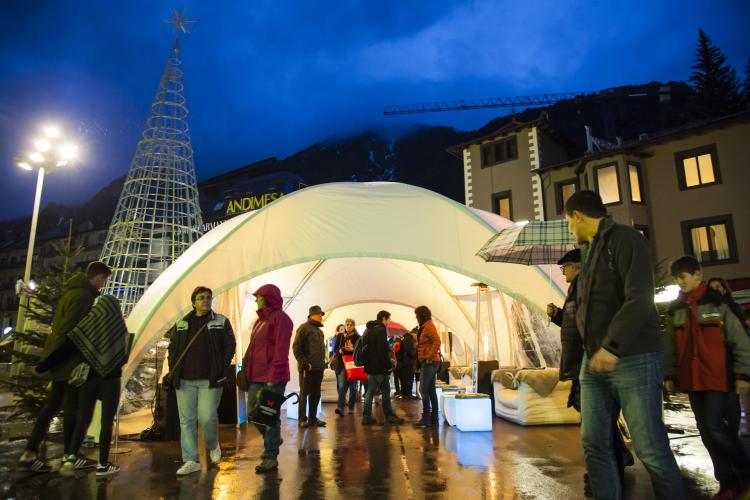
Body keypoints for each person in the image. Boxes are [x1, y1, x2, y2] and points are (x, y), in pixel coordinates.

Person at [564, 190, 685, 499]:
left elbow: (640, 298)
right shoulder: (591, 251)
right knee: (594, 443)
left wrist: (612, 346)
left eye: (568, 222)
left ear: (578, 216)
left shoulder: (625, 239)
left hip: (633, 357)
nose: (569, 229)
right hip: (594, 361)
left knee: (649, 446)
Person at [547, 249, 632, 496]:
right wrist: (558, 316)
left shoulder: (587, 289)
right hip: (582, 364)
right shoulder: (576, 290)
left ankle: (608, 473)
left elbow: (590, 326)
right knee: (596, 425)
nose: (563, 272)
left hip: (591, 364)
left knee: (597, 427)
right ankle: (606, 471)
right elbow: (577, 324)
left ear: (576, 266)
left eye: (565, 267)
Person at [664, 256, 750, 499]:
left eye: (683, 277)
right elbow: (670, 346)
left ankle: (743, 471)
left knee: (714, 426)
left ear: (697, 275)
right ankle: (727, 482)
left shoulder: (718, 304)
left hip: (718, 379)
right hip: (693, 381)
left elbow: (740, 341)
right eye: (676, 278)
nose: (680, 282)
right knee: (706, 431)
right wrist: (670, 374)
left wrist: (743, 374)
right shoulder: (676, 309)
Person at [21, 261, 112, 474]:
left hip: (59, 355)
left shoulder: (71, 292)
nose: (103, 285)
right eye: (104, 280)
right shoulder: (84, 296)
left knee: (54, 404)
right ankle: (69, 454)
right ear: (98, 277)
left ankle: (31, 452)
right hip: (68, 359)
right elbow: (73, 331)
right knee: (72, 407)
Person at [168, 286, 236, 476]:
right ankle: (191, 460)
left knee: (206, 416)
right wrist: (173, 368)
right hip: (185, 380)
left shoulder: (221, 321)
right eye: (201, 298)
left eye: (208, 297)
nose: (205, 300)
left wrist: (222, 366)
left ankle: (213, 444)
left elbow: (230, 345)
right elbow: (173, 348)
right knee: (187, 421)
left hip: (210, 379)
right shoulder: (181, 323)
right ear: (193, 302)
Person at [61, 294, 129, 477]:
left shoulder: (88, 322)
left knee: (84, 418)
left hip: (89, 378)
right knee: (107, 422)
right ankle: (102, 465)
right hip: (111, 379)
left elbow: (75, 341)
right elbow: (124, 355)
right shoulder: (118, 325)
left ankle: (71, 457)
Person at [243, 284, 294, 474]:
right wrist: (247, 372)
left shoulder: (282, 319)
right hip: (256, 375)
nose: (256, 300)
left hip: (274, 377)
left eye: (259, 297)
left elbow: (281, 349)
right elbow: (253, 349)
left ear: (267, 298)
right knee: (252, 412)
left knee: (269, 415)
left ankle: (270, 456)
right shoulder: (259, 321)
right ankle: (273, 439)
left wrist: (275, 374)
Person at [707, 277, 749, 440]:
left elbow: (741, 338)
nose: (715, 290)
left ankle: (733, 438)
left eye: (718, 287)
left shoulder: (733, 308)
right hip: (715, 364)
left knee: (732, 403)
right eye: (712, 287)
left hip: (731, 363)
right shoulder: (707, 309)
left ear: (725, 289)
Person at [361, 310, 404, 425]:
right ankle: (389, 415)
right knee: (386, 390)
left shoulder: (370, 330)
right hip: (379, 367)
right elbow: (381, 351)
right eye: (388, 319)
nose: (389, 321)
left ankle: (366, 416)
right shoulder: (381, 330)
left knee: (370, 391)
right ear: (383, 319)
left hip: (370, 366)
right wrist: (388, 365)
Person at [293, 305, 328, 428]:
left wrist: (323, 365)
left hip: (319, 368)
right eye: (319, 314)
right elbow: (296, 347)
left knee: (316, 395)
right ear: (311, 315)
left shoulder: (320, 332)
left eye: (321, 314)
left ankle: (313, 419)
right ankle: (302, 419)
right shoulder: (303, 328)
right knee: (304, 394)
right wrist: (303, 362)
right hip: (307, 369)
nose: (321, 316)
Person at [414, 306, 441, 428]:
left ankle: (426, 418)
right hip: (430, 362)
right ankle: (434, 418)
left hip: (430, 362)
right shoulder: (425, 326)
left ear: (422, 315)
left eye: (417, 315)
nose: (416, 317)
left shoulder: (429, 326)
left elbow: (437, 341)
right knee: (430, 390)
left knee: (423, 390)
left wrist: (429, 356)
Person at [334, 319, 360, 416]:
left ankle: (351, 407)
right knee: (341, 387)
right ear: (345, 326)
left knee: (352, 388)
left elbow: (360, 350)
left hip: (352, 365)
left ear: (353, 326)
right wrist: (339, 351)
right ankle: (340, 407)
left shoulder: (357, 337)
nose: (348, 326)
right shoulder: (340, 336)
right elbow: (335, 349)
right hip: (341, 365)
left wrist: (353, 349)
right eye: (347, 324)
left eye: (350, 325)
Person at [395, 331, 416, 399]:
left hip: (403, 363)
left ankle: (405, 394)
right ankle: (407, 395)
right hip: (407, 363)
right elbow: (408, 350)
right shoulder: (408, 339)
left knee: (404, 379)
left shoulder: (405, 339)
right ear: (413, 334)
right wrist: (415, 355)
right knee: (408, 379)